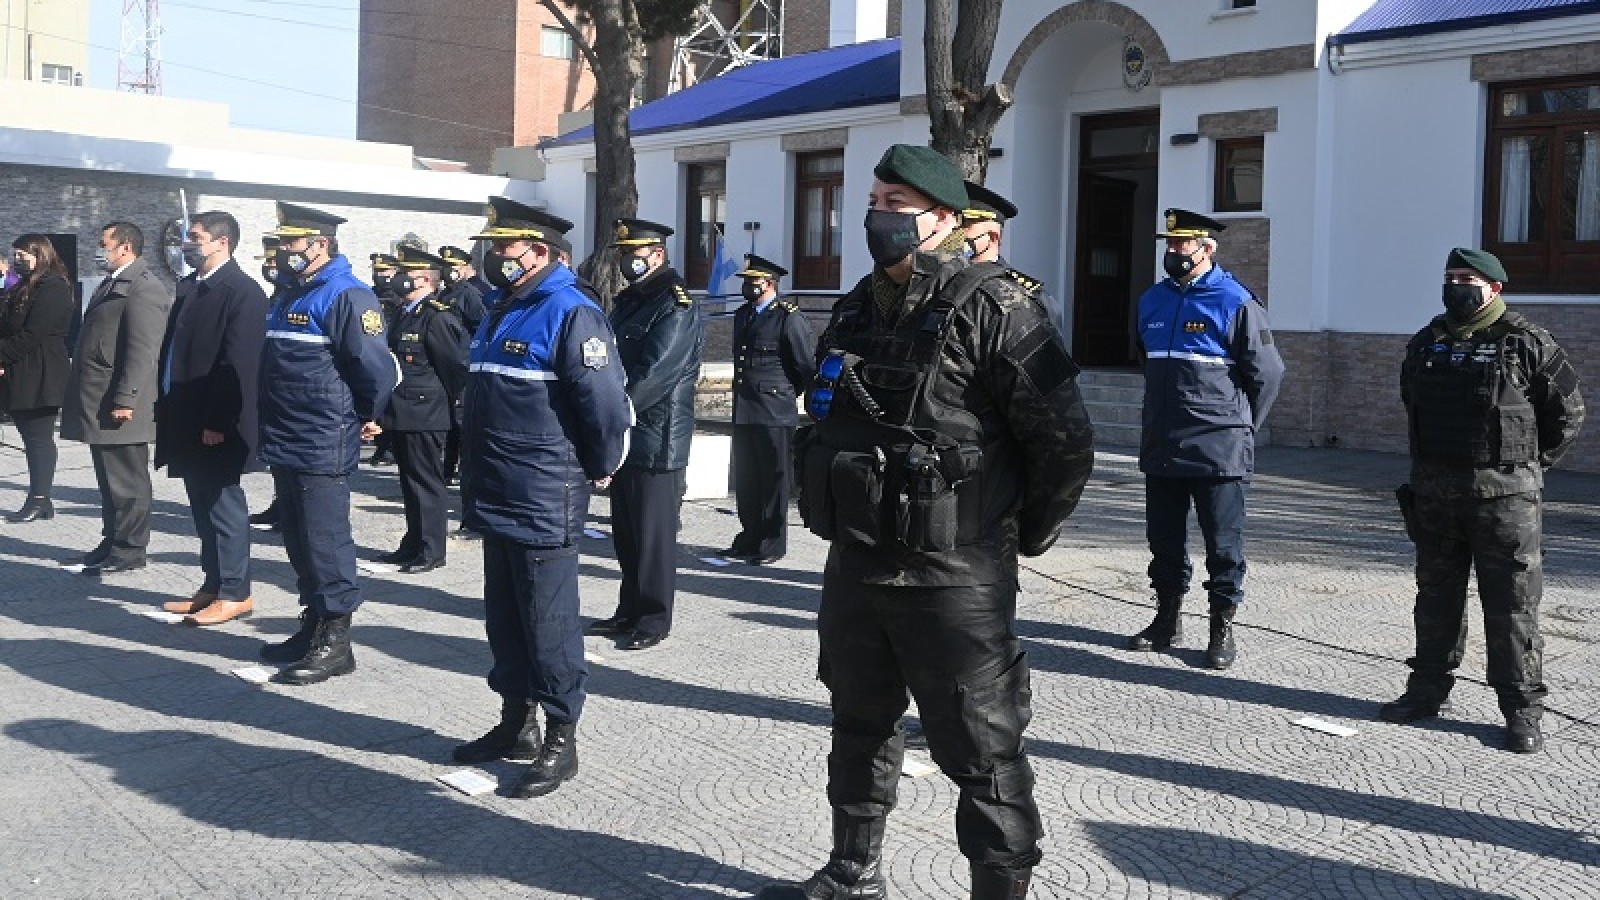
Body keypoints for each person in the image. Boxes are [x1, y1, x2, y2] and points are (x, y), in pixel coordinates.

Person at [760, 145, 1095, 900]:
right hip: (858, 562)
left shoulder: (998, 306)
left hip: (954, 573)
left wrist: (1019, 532)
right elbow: (823, 411)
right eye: (874, 200)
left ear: (944, 220)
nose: (879, 215)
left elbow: (1065, 444)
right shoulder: (854, 306)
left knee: (983, 749)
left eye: (897, 204)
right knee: (858, 724)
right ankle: (852, 872)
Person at [452, 196, 631, 798]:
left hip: (540, 493)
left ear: (543, 252)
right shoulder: (503, 307)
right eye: (494, 247)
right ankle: (515, 724)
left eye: (506, 247)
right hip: (496, 489)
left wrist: (602, 466)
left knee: (548, 624)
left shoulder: (570, 311)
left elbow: (603, 407)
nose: (496, 256)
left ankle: (561, 734)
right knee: (504, 621)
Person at [1384, 248, 1585, 754]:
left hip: (1505, 503)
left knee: (1513, 608)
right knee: (1434, 599)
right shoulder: (1426, 341)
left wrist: (1525, 468)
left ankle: (1521, 709)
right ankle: (1427, 692)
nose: (1456, 285)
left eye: (1467, 278)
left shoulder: (1527, 343)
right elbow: (1412, 403)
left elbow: (1568, 414)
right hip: (1434, 497)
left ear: (1494, 287)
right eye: (1450, 277)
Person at [1125, 209, 1284, 670]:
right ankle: (1166, 620)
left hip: (1219, 445)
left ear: (1207, 249)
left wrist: (1241, 427)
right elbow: (1147, 360)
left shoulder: (1236, 301)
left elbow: (1268, 374)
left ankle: (1221, 628)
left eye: (1182, 245)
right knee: (1164, 540)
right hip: (1163, 442)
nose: (1173, 253)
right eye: (1169, 245)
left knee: (1223, 544)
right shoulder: (1152, 300)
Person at [256, 202, 398, 686]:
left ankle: (336, 640)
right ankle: (312, 622)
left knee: (325, 539)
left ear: (320, 245)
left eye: (291, 243)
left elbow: (375, 369)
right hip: (286, 432)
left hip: (321, 435)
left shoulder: (347, 296)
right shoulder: (290, 292)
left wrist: (367, 414)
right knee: (296, 535)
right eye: (281, 243)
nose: (282, 252)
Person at [586, 217, 703, 652]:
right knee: (627, 533)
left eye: (634, 253)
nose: (626, 261)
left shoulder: (676, 304)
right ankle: (629, 609)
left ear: (657, 255)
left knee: (653, 537)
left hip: (656, 436)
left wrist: (610, 415)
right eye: (622, 253)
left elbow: (655, 375)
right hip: (629, 435)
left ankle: (653, 618)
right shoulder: (631, 301)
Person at [153, 212, 270, 625]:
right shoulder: (191, 286)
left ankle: (237, 591)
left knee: (224, 507)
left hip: (216, 423)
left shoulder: (242, 292)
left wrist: (218, 421)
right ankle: (213, 584)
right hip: (185, 415)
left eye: (196, 237)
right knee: (201, 507)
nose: (188, 243)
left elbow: (236, 365)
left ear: (222, 243)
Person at [60, 222, 174, 576]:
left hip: (122, 404)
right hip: (100, 397)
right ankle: (112, 541)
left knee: (127, 482)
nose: (98, 249)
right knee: (109, 480)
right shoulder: (113, 281)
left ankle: (129, 550)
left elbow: (142, 351)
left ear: (124, 246)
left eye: (103, 243)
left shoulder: (143, 288)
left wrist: (126, 398)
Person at [374, 245, 467, 574]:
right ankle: (413, 543)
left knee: (426, 483)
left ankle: (431, 549)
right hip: (402, 411)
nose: (398, 279)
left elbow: (456, 367)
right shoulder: (405, 312)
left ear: (425, 278)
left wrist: (453, 407)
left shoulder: (438, 317)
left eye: (406, 274)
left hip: (426, 412)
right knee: (409, 482)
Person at [719, 253, 815, 565]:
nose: (748, 286)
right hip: (745, 407)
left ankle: (772, 543)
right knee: (747, 477)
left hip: (774, 409)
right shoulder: (743, 314)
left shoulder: (789, 317)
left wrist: (787, 394)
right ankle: (749, 537)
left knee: (775, 478)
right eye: (746, 281)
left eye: (753, 281)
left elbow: (803, 365)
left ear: (769, 284)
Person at [0, 235, 75, 523]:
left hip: (41, 370)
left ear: (40, 255)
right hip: (20, 368)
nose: (18, 261)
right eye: (15, 255)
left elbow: (34, 334)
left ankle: (39, 498)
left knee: (38, 436)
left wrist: (2, 356)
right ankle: (40, 499)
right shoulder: (23, 286)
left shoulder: (53, 287)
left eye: (23, 255)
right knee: (29, 435)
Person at [960, 181, 1065, 338]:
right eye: (956, 225)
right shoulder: (944, 279)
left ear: (992, 237)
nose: (957, 234)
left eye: (966, 226)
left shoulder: (1029, 295)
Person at [249, 235, 288, 532]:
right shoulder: (277, 295)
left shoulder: (291, 293)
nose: (271, 267)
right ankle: (280, 505)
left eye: (275, 261)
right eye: (268, 262)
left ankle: (286, 507)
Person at [437, 244, 485, 485]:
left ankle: (467, 470)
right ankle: (447, 469)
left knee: (461, 422)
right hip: (444, 366)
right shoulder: (442, 295)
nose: (449, 271)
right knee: (448, 422)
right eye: (446, 266)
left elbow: (480, 326)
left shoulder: (469, 294)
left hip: (462, 365)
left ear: (465, 267)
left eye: (454, 266)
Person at [366, 252, 402, 468]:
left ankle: (389, 447)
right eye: (376, 271)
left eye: (384, 271)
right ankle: (380, 444)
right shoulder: (368, 294)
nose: (380, 275)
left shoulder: (399, 296)